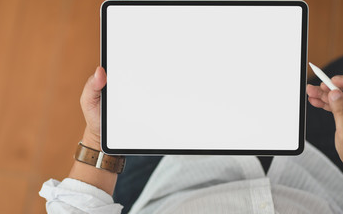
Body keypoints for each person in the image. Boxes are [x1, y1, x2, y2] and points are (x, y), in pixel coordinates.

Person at [39, 59, 343, 213]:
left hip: (172, 182)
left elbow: (76, 209)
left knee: (163, 84)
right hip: (321, 177)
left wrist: (98, 138)